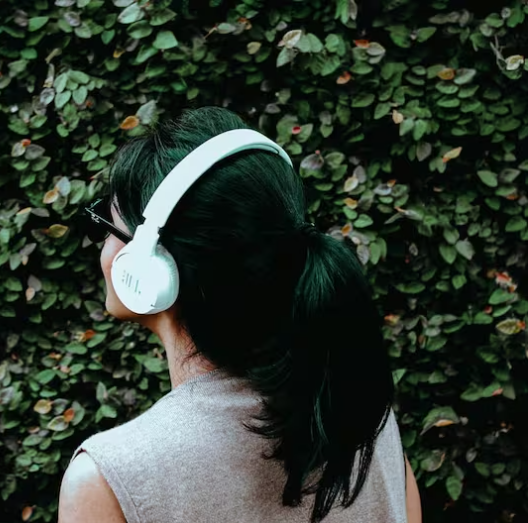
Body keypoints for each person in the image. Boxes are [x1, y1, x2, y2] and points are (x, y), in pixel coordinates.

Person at [58, 107, 422, 523]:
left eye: (106, 226)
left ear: (149, 268)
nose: (103, 246)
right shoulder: (365, 424)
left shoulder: (109, 479)